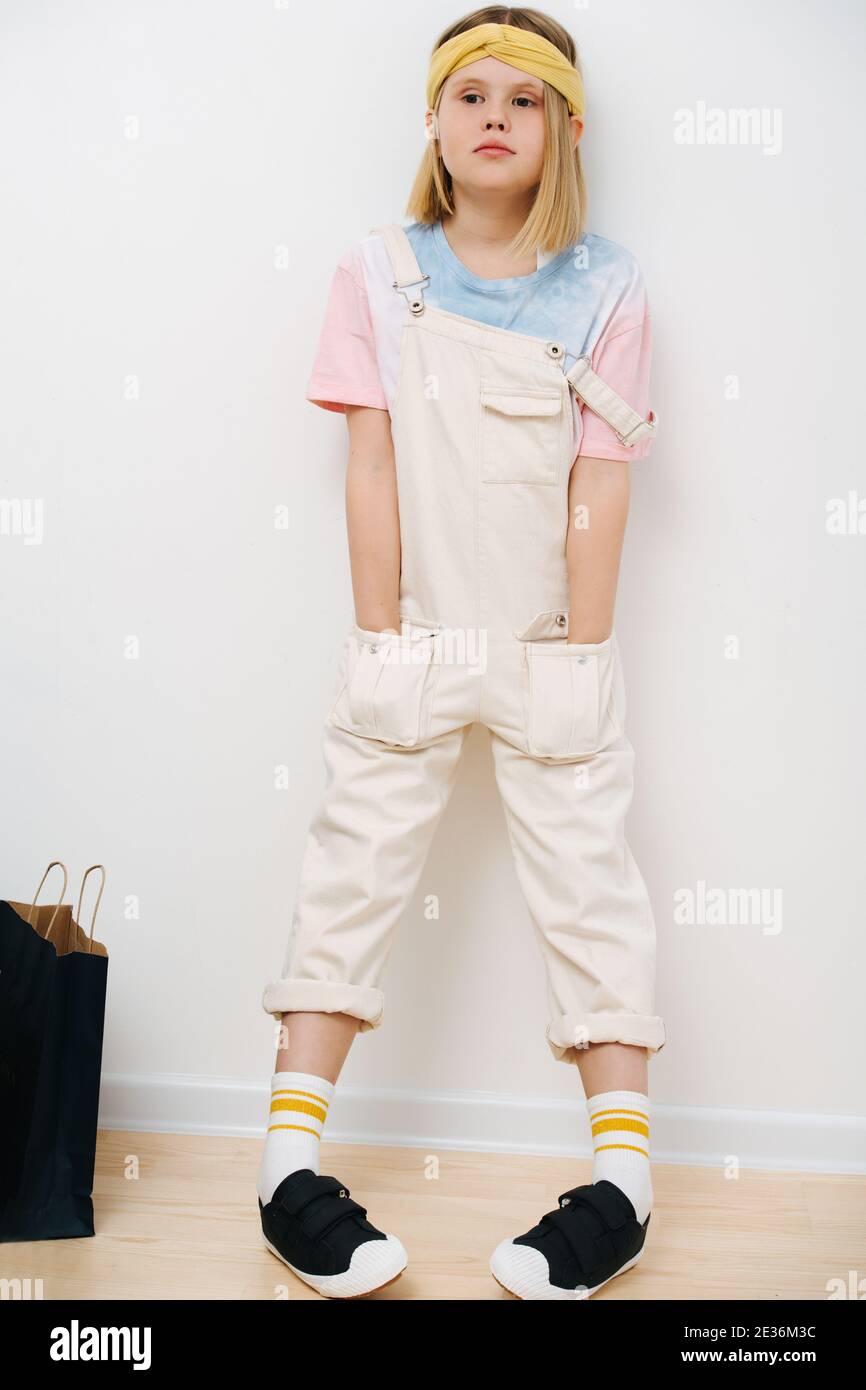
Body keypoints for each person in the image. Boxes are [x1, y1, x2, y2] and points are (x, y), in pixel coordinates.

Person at [257, 7, 666, 1300]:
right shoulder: (379, 273)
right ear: (433, 122)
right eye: (469, 95)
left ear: (564, 130)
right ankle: (282, 1162)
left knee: (591, 887)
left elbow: (600, 485)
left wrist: (579, 651)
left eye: (525, 100)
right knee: (353, 872)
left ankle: (622, 1179)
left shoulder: (607, 288)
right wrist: (381, 633)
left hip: (548, 647)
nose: (494, 116)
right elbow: (369, 464)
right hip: (413, 639)